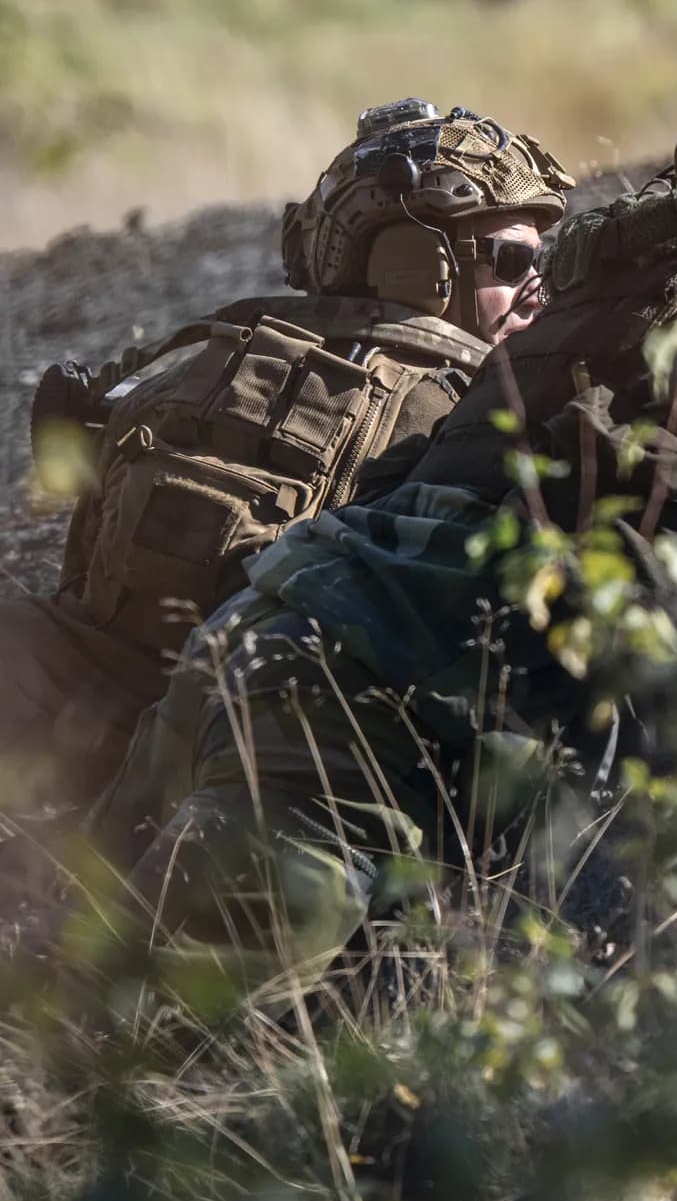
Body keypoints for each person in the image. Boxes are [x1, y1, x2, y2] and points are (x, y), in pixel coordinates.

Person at [65, 73, 677, 994]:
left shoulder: (559, 324)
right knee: (179, 1063)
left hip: (255, 642)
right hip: (356, 711)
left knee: (76, 994)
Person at [0, 100, 574, 829]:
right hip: (251, 759)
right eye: (515, 259)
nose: (539, 287)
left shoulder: (194, 354)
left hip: (92, 713)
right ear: (422, 264)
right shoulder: (467, 412)